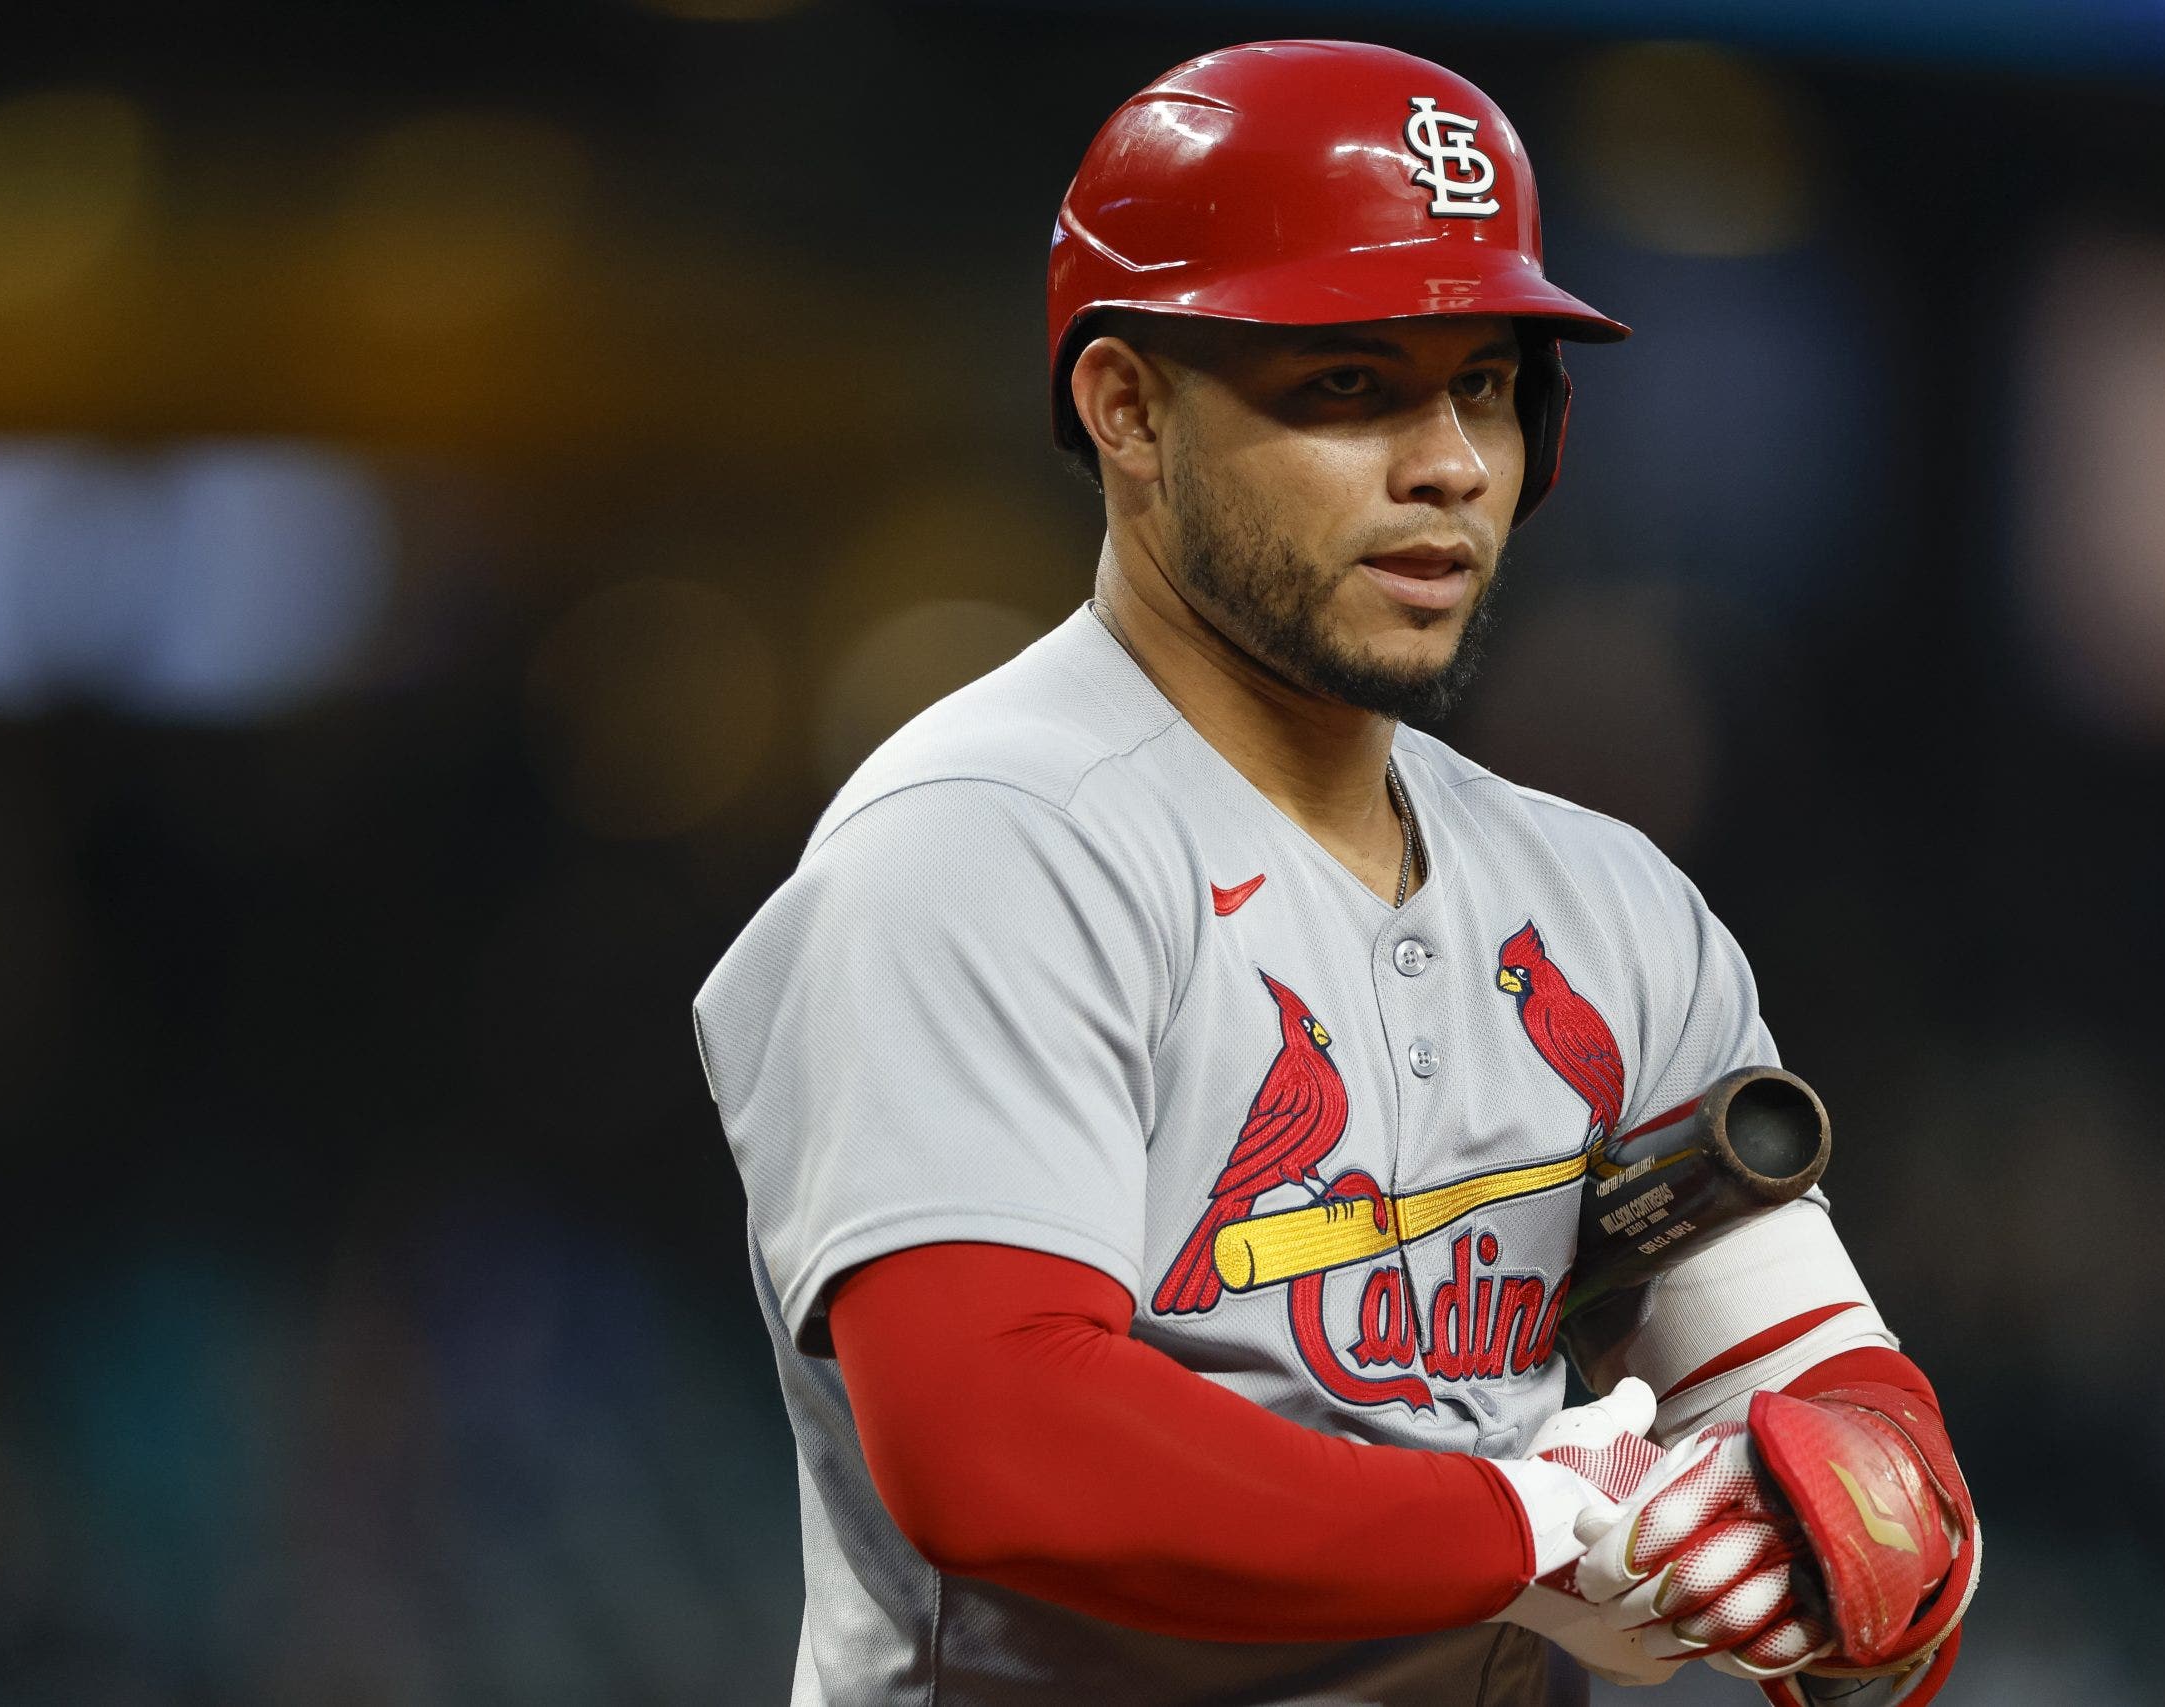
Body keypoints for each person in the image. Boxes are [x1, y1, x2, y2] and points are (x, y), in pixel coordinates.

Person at [691, 40, 1977, 1707]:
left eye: (1485, 385)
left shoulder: (1607, 908)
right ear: (1128, 409)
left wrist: (1830, 1534)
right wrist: (1527, 1528)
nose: (1449, 464)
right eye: (1352, 383)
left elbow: (1830, 1402)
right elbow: (998, 1447)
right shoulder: (985, 841)